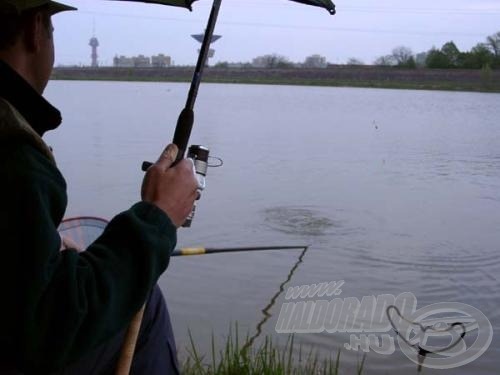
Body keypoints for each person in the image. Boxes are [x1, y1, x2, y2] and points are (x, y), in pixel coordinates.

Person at [0, 1, 198, 373]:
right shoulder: (13, 154)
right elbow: (49, 328)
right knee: (146, 302)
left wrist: (51, 246)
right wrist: (156, 217)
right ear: (36, 29)